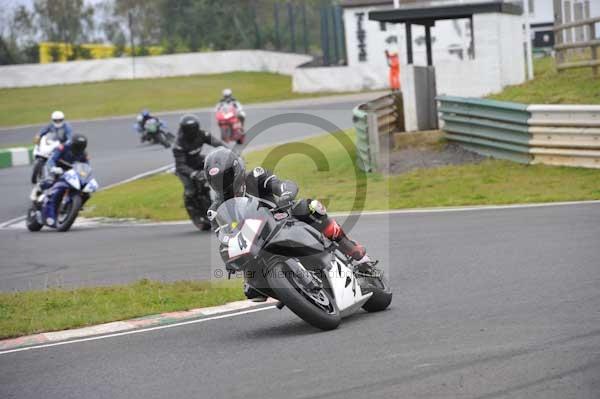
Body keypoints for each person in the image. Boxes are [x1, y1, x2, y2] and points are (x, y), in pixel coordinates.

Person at [204, 148, 372, 302]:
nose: (222, 183)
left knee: (310, 207)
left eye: (225, 176)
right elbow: (224, 236)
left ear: (237, 170)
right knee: (253, 290)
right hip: (256, 243)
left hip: (281, 219)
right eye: (216, 180)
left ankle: (349, 248)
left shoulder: (255, 177)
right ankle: (293, 292)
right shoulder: (215, 210)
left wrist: (285, 194)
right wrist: (230, 254)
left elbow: (282, 185)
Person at [172, 115, 226, 218]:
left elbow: (217, 143)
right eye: (189, 130)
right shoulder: (178, 144)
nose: (192, 132)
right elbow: (180, 165)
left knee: (218, 168)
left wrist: (230, 153)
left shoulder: (202, 134)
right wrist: (194, 173)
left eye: (193, 129)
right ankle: (192, 209)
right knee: (190, 191)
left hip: (198, 160)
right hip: (185, 168)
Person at [40, 134, 89, 227]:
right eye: (77, 146)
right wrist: (53, 168)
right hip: (56, 168)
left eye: (81, 147)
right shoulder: (63, 147)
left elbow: (86, 167)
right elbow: (51, 159)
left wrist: (85, 176)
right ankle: (39, 193)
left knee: (85, 191)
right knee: (49, 181)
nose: (79, 149)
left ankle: (75, 207)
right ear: (73, 144)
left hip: (69, 172)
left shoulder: (83, 154)